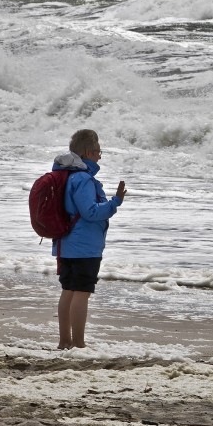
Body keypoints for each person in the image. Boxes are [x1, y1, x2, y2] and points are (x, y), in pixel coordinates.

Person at [52, 129, 126, 350]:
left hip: (66, 243)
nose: (100, 156)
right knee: (82, 292)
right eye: (97, 151)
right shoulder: (83, 179)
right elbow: (91, 212)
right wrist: (115, 203)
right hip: (83, 247)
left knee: (68, 290)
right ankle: (78, 343)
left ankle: (64, 341)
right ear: (87, 152)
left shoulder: (67, 176)